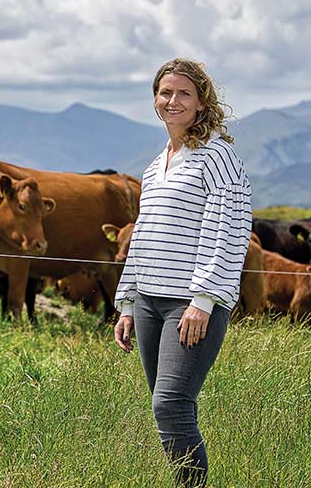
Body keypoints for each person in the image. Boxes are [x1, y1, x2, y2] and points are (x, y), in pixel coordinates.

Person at [113, 58, 251, 486]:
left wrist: (204, 300)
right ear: (155, 99)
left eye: (184, 93)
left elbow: (230, 231)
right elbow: (144, 237)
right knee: (170, 406)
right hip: (150, 303)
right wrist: (129, 302)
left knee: (169, 404)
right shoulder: (156, 167)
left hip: (188, 305)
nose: (172, 101)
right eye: (165, 92)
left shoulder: (218, 156)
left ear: (201, 102)